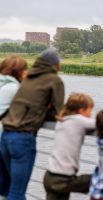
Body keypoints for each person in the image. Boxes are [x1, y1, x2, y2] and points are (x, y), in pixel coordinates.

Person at [0, 48, 65, 200]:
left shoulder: (27, 78)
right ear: (56, 65)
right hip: (22, 139)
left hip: (5, 136)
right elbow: (59, 112)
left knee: (7, 188)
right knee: (17, 191)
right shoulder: (54, 80)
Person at [43, 93, 95, 200]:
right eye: (90, 110)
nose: (91, 114)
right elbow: (101, 123)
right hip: (62, 179)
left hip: (50, 175)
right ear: (81, 110)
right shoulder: (78, 120)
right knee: (98, 179)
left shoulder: (62, 120)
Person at [0, 55, 28, 200]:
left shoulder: (2, 84)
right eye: (25, 70)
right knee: (16, 188)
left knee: (3, 185)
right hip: (5, 137)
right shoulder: (14, 88)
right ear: (19, 72)